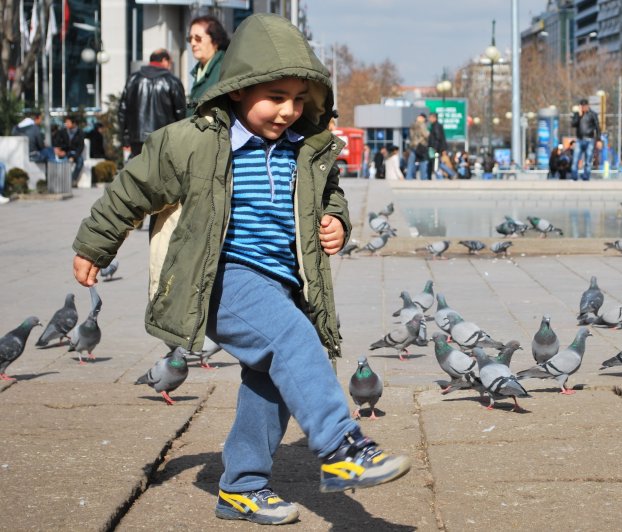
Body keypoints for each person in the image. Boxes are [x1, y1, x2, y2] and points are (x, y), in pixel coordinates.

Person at [70, 14, 410, 526]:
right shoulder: (195, 142)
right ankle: (342, 447)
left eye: (299, 98)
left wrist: (334, 219)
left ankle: (242, 487)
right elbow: (132, 188)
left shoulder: (305, 150)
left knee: (269, 383)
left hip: (281, 282)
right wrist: (96, 244)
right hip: (222, 278)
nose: (289, 111)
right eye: (276, 96)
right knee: (295, 341)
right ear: (237, 91)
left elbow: (328, 196)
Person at [119, 49, 187, 158]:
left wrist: (125, 139)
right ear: (165, 60)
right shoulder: (172, 81)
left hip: (137, 139)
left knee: (140, 172)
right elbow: (181, 113)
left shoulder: (133, 79)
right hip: (164, 139)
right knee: (161, 173)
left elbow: (123, 110)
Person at [186, 15, 229, 116]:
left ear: (215, 39)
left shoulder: (223, 68)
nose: (192, 43)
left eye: (198, 38)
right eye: (190, 38)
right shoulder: (200, 69)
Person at [570, 99, 600, 180]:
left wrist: (598, 139)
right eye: (581, 106)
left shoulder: (592, 114)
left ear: (587, 106)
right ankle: (574, 176)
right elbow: (573, 124)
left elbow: (597, 127)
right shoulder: (577, 115)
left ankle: (586, 176)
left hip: (589, 139)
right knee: (575, 159)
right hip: (579, 139)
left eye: (584, 106)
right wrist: (579, 116)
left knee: (588, 160)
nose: (583, 108)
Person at [53, 116, 85, 181]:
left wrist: (74, 157)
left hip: (75, 153)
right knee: (61, 162)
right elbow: (57, 142)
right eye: (66, 122)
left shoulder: (80, 132)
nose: (66, 124)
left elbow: (81, 146)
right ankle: (60, 180)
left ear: (74, 123)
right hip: (65, 152)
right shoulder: (63, 131)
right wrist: (58, 150)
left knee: (80, 162)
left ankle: (72, 179)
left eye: (68, 122)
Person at [406, 113, 429, 179]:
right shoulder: (422, 125)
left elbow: (410, 136)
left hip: (413, 145)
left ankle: (408, 177)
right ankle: (423, 178)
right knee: (423, 161)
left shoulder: (413, 125)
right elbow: (426, 134)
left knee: (411, 162)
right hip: (421, 145)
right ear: (422, 118)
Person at [427, 113, 447, 179]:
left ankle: (441, 180)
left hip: (435, 149)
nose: (429, 119)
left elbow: (438, 138)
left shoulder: (436, 126)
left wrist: (435, 148)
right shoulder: (435, 126)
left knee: (436, 166)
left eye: (430, 118)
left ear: (434, 118)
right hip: (436, 148)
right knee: (438, 163)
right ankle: (451, 174)